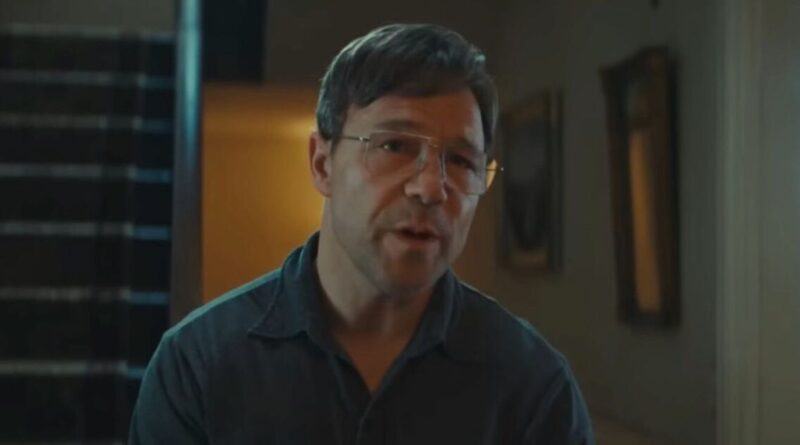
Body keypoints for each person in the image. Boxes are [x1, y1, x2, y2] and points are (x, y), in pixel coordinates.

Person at [129, 23, 594, 444]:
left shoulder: (533, 386)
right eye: (394, 146)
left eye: (460, 160)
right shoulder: (197, 367)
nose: (432, 188)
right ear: (322, 164)